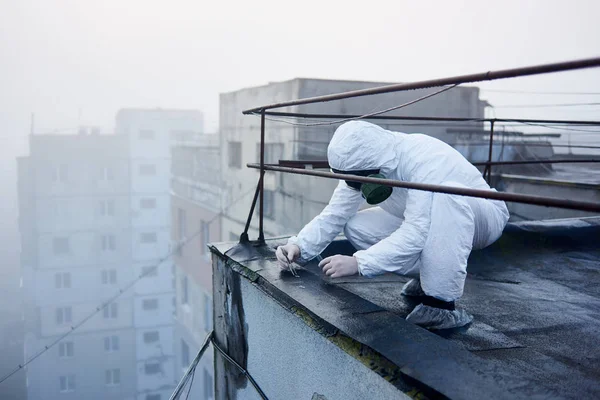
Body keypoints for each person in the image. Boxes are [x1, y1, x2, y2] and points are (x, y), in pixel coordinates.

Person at [275, 121, 509, 330]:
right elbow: (334, 214)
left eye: (357, 180)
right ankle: (428, 276)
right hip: (425, 217)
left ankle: (441, 305)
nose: (353, 186)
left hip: (482, 217)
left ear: (375, 167)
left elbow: (417, 232)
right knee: (356, 225)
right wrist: (298, 246)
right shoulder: (363, 163)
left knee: (445, 197)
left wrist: (360, 262)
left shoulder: (423, 161)